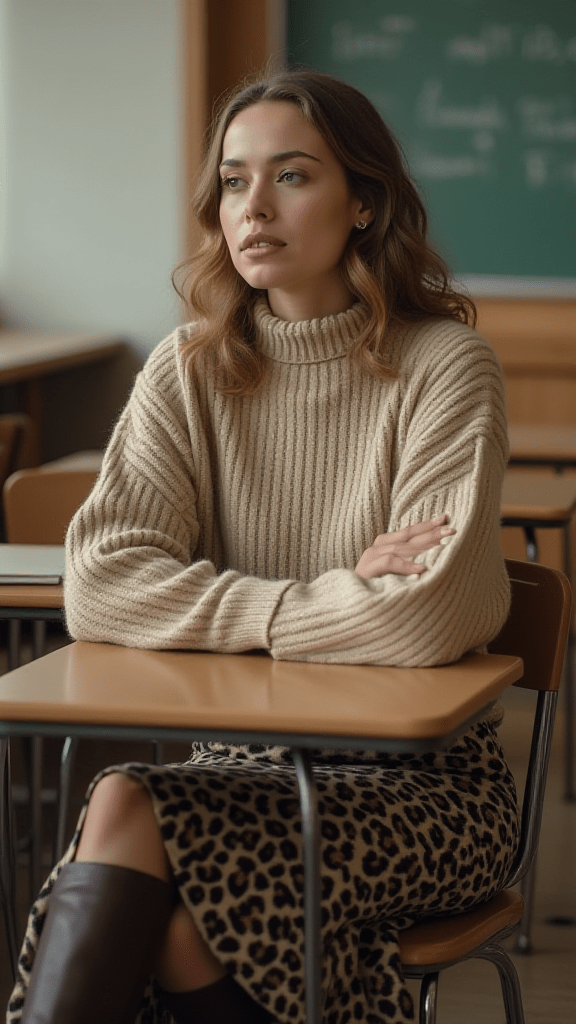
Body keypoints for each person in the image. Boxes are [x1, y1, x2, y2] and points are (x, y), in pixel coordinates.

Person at [8, 69, 518, 1024]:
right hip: (237, 765)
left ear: (363, 203)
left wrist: (227, 605)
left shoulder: (445, 364)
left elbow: (423, 615)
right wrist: (322, 595)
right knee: (136, 819)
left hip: (425, 787)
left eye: (291, 176)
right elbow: (102, 583)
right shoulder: (190, 366)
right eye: (234, 182)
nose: (255, 208)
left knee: (150, 844)